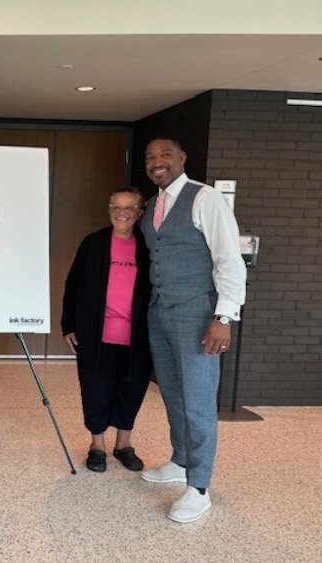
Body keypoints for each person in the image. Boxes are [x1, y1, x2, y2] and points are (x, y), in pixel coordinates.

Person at [139, 137, 246, 523]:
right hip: (160, 313)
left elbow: (229, 261)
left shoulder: (205, 199)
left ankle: (199, 488)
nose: (157, 162)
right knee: (172, 392)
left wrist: (223, 318)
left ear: (183, 158)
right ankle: (181, 461)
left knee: (199, 401)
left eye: (166, 154)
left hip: (198, 314)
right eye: (151, 157)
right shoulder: (153, 205)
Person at [61, 186, 152, 473]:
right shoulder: (94, 243)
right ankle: (97, 445)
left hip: (137, 337)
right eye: (116, 206)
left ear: (139, 213)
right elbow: (72, 284)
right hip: (94, 335)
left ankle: (124, 444)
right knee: (96, 389)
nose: (121, 213)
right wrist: (68, 325)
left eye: (129, 208)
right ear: (109, 209)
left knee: (131, 389)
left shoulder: (148, 246)